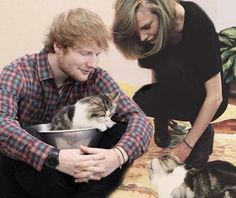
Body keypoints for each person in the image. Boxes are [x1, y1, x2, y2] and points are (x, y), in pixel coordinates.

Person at [0, 8, 153, 198]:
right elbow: (2, 124)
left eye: (97, 54)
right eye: (85, 53)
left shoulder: (96, 77)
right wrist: (55, 158)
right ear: (58, 47)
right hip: (30, 175)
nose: (93, 64)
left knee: (120, 130)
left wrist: (117, 156)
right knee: (23, 135)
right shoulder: (18, 72)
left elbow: (138, 117)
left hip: (79, 174)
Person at [112, 0, 228, 167]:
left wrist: (187, 145)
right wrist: (161, 114)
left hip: (208, 98)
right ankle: (164, 119)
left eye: (146, 27)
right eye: (138, 32)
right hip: (177, 89)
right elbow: (157, 73)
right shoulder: (147, 35)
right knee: (141, 101)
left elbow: (215, 97)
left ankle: (204, 134)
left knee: (172, 69)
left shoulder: (197, 24)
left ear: (161, 11)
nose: (143, 37)